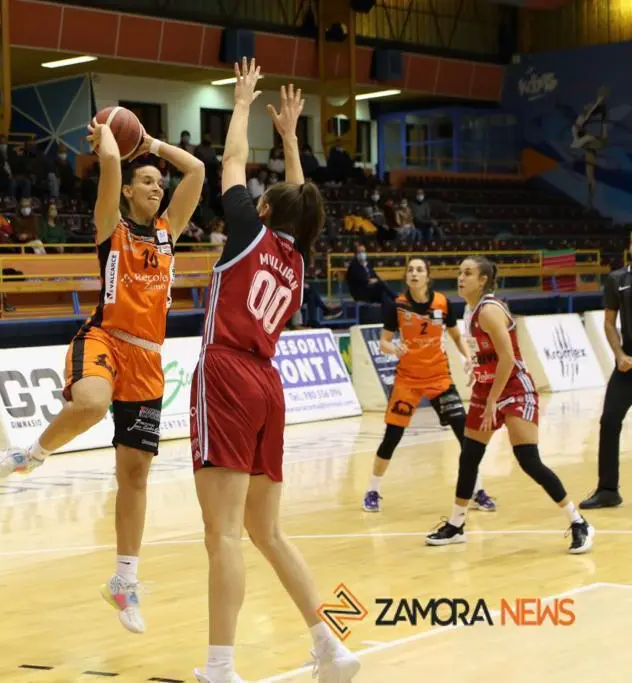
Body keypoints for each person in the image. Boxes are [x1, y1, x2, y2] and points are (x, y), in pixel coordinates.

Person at [0, 96, 206, 635]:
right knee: (91, 401)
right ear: (127, 191)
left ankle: (123, 581)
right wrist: (109, 130)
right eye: (146, 180)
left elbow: (197, 170)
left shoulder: (169, 232)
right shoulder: (112, 228)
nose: (156, 187)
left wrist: (150, 144)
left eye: (159, 183)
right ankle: (32, 455)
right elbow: (109, 162)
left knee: (135, 476)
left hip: (149, 359)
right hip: (105, 337)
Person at [184, 60, 359, 683]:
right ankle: (331, 646)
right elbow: (302, 202)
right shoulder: (299, 259)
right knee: (267, 530)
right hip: (267, 383)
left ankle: (220, 668)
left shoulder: (246, 233)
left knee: (224, 534)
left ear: (262, 208)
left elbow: (232, 162)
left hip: (228, 373)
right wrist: (289, 138)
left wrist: (240, 104)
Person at [426, 256, 594, 554]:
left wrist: (493, 400)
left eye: (468, 273)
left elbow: (508, 359)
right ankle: (456, 524)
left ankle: (579, 522)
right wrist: (477, 368)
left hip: (514, 388)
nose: (460, 278)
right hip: (487, 387)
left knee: (528, 460)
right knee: (469, 457)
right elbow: (487, 352)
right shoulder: (470, 310)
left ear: (483, 280)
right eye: (459, 272)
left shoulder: (489, 310)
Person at [363, 257, 495, 513]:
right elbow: (384, 343)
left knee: (465, 435)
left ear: (427, 276)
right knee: (391, 438)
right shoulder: (397, 305)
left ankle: (477, 490)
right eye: (410, 270)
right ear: (406, 276)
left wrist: (470, 358)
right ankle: (372, 490)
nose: (414, 273)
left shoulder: (442, 303)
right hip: (407, 381)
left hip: (439, 379)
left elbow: (456, 336)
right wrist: (394, 348)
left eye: (419, 270)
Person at [580, 234, 632, 509]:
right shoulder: (617, 279)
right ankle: (608, 490)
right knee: (609, 422)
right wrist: (619, 354)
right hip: (627, 365)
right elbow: (609, 322)